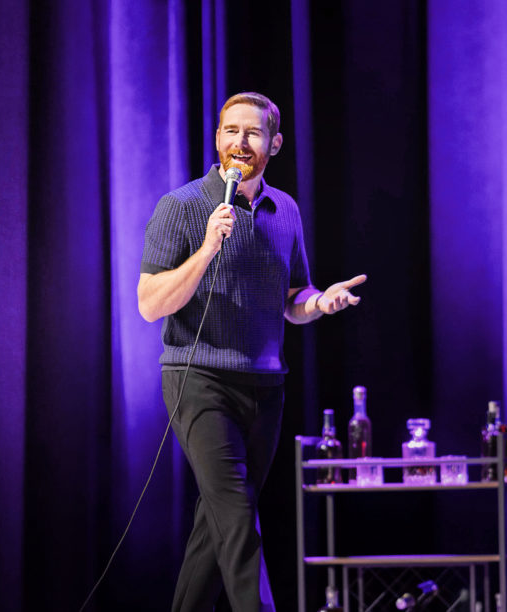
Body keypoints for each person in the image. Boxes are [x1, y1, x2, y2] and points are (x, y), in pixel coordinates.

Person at [138, 91, 366, 611]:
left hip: (265, 388)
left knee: (216, 525)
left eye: (253, 133)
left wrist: (321, 302)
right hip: (199, 383)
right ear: (218, 139)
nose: (239, 142)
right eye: (230, 131)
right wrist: (207, 249)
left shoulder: (284, 210)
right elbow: (151, 304)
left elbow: (294, 299)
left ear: (274, 143)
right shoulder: (182, 206)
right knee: (238, 520)